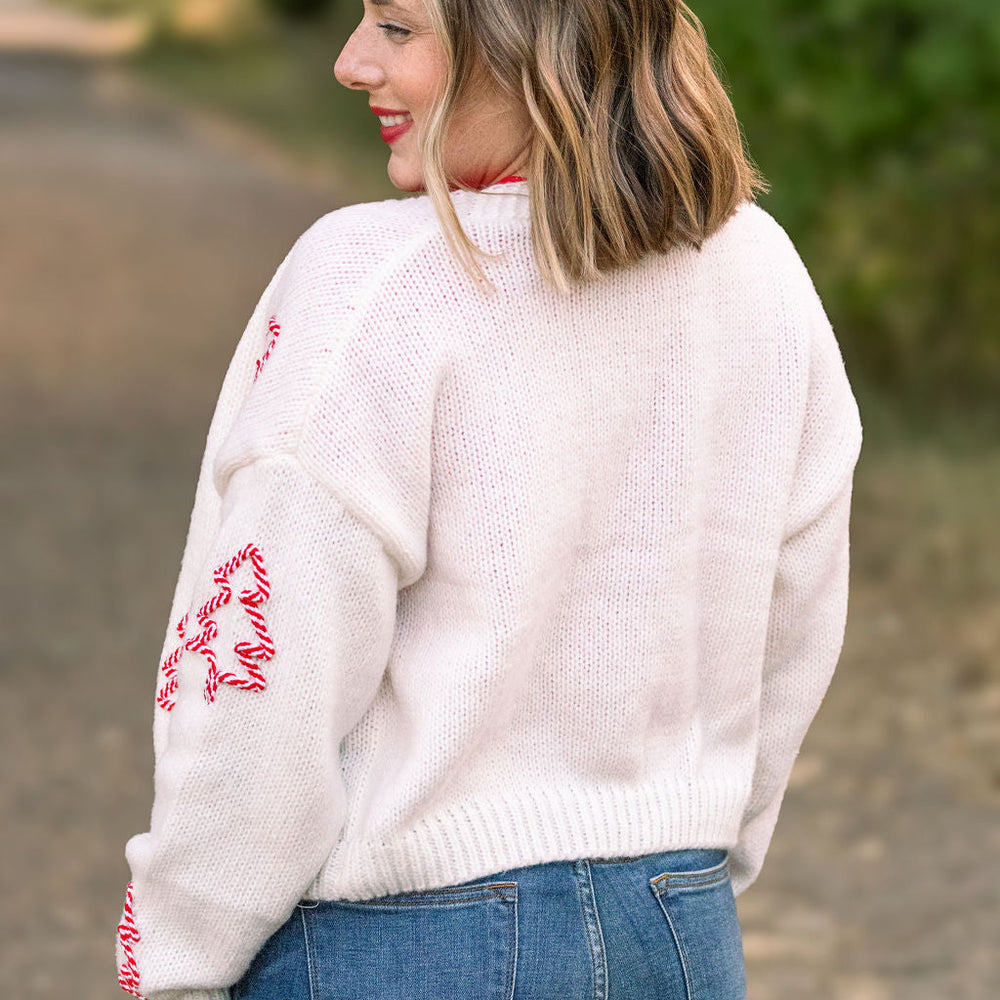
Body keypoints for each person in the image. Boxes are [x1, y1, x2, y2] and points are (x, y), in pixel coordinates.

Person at [115, 1, 863, 998]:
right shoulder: (763, 275)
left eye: (397, 27)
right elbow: (795, 618)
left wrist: (176, 954)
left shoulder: (375, 280)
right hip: (676, 928)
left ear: (527, 46)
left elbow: (270, 665)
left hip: (396, 947)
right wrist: (689, 840)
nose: (350, 62)